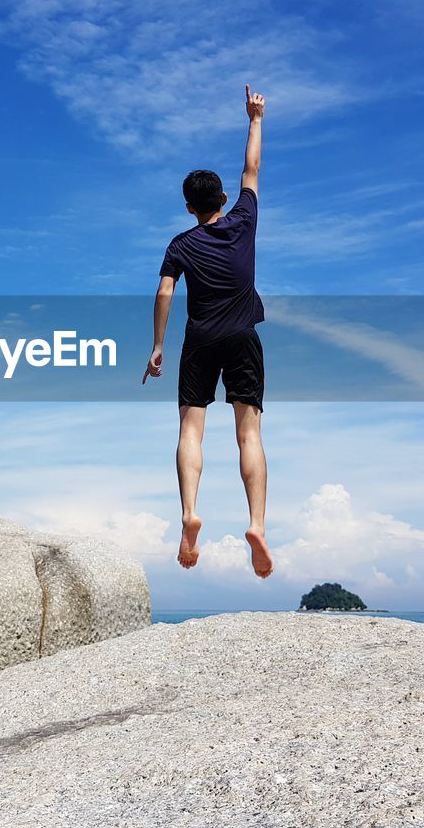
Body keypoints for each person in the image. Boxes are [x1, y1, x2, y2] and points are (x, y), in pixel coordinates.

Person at [142, 84, 272, 578]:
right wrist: (254, 118)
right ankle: (257, 523)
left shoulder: (180, 244)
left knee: (190, 431)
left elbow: (163, 294)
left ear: (187, 207)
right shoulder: (243, 219)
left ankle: (189, 514)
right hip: (242, 337)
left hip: (198, 341)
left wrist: (157, 345)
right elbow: (252, 171)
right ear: (221, 198)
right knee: (249, 433)